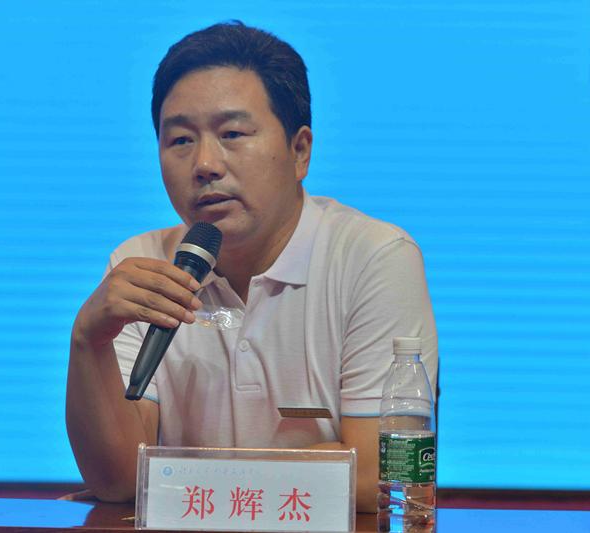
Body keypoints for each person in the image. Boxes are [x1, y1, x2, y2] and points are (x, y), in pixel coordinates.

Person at [65, 20, 437, 513]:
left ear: (299, 151)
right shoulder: (143, 264)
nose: (205, 164)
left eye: (232, 133)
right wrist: (87, 340)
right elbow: (118, 481)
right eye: (180, 140)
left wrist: (175, 476)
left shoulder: (373, 257)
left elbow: (379, 475)